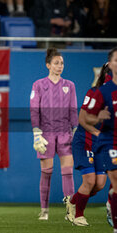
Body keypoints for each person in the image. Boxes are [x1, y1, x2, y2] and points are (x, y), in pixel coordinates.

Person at [30, 48, 78, 221]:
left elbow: (73, 110)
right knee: (46, 172)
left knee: (68, 172)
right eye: (56, 63)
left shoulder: (70, 85)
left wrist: (75, 131)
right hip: (46, 134)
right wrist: (36, 132)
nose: (60, 66)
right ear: (48, 65)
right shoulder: (38, 85)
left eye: (62, 63)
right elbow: (34, 109)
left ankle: (70, 211)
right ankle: (44, 211)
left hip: (65, 133)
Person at [67, 63, 112, 226]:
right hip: (85, 141)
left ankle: (72, 202)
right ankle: (78, 216)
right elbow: (82, 119)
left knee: (99, 184)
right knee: (90, 181)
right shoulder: (94, 92)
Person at [84, 47, 117, 233]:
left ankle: (111, 202)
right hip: (109, 140)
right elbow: (86, 116)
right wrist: (98, 118)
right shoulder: (103, 89)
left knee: (108, 185)